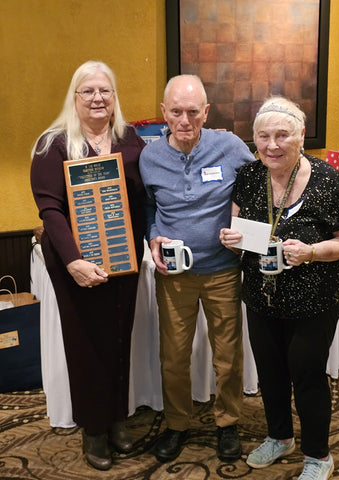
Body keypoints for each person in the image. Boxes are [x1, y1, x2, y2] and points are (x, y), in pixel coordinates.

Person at [220, 96, 339, 480]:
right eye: (263, 136)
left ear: (300, 137)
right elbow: (238, 225)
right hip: (262, 295)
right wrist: (232, 238)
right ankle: (280, 437)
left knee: (306, 372)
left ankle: (318, 456)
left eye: (282, 135)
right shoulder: (249, 176)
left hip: (316, 298)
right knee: (270, 371)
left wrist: (312, 251)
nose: (272, 144)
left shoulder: (327, 179)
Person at [30, 60, 146, 471]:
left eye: (105, 91)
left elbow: (143, 201)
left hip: (122, 260)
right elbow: (50, 211)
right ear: (75, 97)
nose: (98, 98)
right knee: (86, 344)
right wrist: (75, 261)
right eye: (88, 91)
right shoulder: (53, 144)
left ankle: (116, 418)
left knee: (119, 338)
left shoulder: (131, 140)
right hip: (74, 265)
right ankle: (93, 429)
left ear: (115, 97)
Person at [139, 74, 254, 463]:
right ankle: (177, 424)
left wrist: (242, 222)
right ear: (163, 113)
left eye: (193, 112)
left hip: (223, 270)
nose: (184, 121)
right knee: (173, 356)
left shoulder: (230, 146)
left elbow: (257, 187)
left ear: (206, 112)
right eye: (176, 112)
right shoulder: (150, 156)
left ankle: (228, 424)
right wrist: (154, 236)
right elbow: (150, 207)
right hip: (175, 275)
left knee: (228, 355)